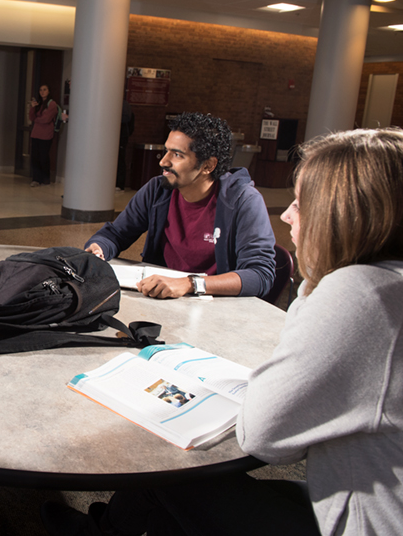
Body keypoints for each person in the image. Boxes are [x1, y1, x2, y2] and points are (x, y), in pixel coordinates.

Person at [42, 128, 403, 536]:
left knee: (167, 470)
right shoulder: (389, 284)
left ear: (344, 218)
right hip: (349, 497)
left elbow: (264, 437)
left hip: (358, 524)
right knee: (171, 503)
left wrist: (316, 284)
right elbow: (115, 232)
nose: (286, 216)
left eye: (301, 205)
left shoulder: (359, 295)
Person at [84, 112, 275, 299]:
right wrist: (99, 247)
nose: (163, 161)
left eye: (177, 154)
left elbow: (260, 275)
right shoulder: (157, 190)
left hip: (216, 306)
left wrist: (189, 283)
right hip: (162, 300)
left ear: (208, 166)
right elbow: (116, 234)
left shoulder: (243, 200)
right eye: (167, 150)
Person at [28, 84, 58, 187]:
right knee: (35, 157)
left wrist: (37, 119)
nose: (42, 92)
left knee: (43, 157)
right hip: (35, 134)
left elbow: (46, 119)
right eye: (40, 90)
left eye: (45, 90)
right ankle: (36, 179)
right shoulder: (39, 103)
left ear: (49, 91)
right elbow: (31, 117)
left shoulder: (52, 104)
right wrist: (33, 108)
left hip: (46, 135)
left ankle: (45, 179)